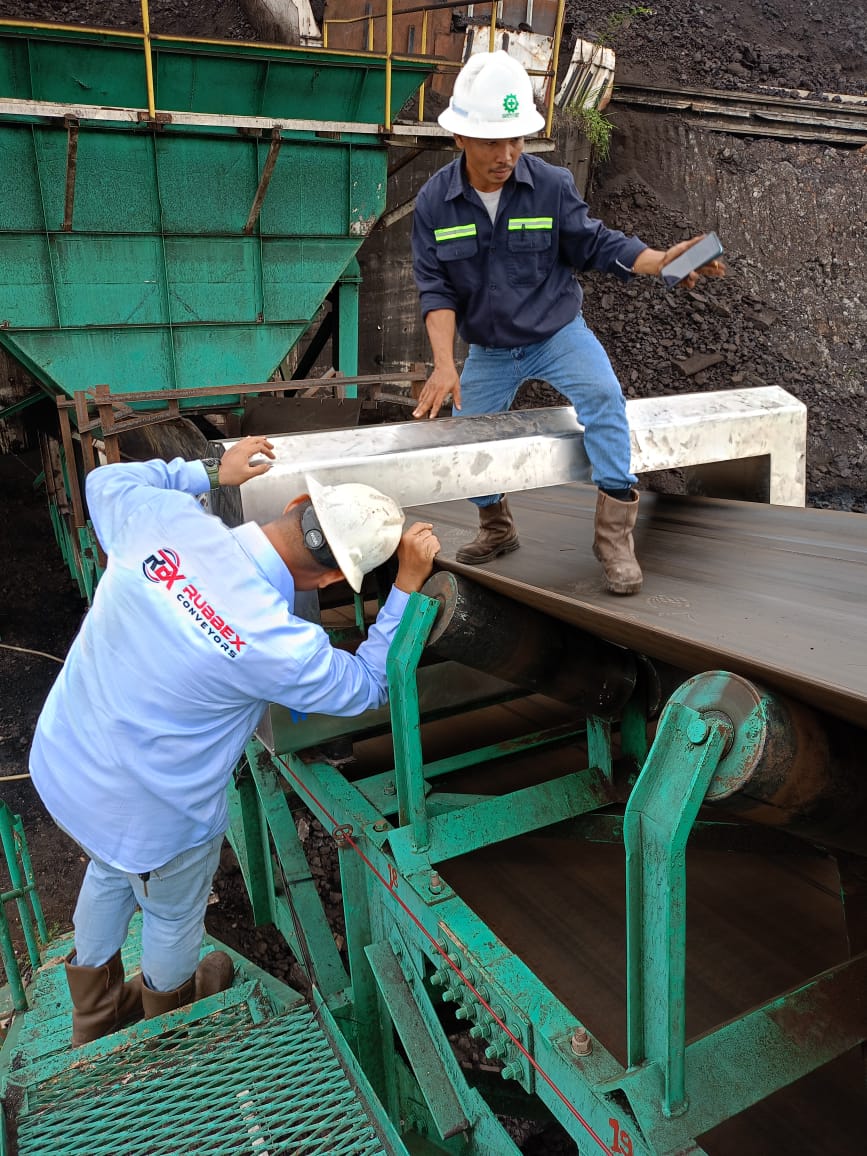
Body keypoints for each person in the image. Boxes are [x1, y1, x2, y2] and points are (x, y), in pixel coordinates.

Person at [29, 435, 440, 1046]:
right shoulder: (278, 643)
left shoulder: (161, 518)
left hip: (65, 764)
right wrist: (406, 585)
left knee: (109, 866)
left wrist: (208, 470)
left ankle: (94, 1015)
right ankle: (168, 1023)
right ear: (334, 578)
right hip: (154, 816)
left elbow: (104, 483)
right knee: (171, 915)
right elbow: (370, 685)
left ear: (295, 503)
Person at [411, 50, 725, 595]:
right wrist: (444, 364)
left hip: (557, 334)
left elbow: (597, 244)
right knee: (468, 435)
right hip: (490, 347)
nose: (507, 155)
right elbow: (435, 288)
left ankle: (614, 540)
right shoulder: (435, 202)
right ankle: (496, 525)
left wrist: (661, 261)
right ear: (459, 136)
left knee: (604, 398)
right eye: (492, 142)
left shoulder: (551, 185)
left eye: (516, 140)